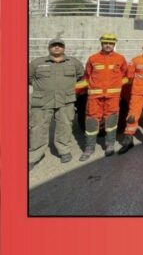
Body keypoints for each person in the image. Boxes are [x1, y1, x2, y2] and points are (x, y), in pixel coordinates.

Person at [29, 38, 85, 169]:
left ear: (64, 48)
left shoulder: (73, 63)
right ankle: (34, 155)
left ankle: (64, 151)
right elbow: (29, 78)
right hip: (42, 101)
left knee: (65, 126)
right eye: (54, 45)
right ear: (49, 48)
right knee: (37, 128)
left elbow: (80, 76)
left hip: (65, 100)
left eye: (60, 45)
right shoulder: (37, 63)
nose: (57, 47)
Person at [79, 34, 128, 161]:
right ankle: (89, 148)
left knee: (111, 121)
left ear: (114, 44)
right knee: (91, 121)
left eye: (110, 43)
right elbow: (88, 76)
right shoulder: (93, 58)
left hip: (112, 96)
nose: (108, 45)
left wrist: (116, 85)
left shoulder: (120, 59)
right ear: (101, 44)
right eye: (105, 43)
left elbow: (124, 75)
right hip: (95, 96)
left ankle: (109, 145)